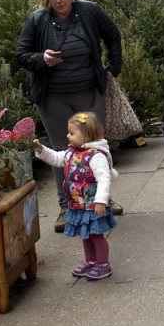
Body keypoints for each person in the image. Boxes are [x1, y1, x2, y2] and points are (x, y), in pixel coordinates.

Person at [17, 0, 123, 233]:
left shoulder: (89, 11)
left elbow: (113, 34)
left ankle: (102, 198)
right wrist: (41, 59)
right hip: (53, 98)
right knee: (63, 150)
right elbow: (22, 54)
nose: (58, 1)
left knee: (95, 147)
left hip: (89, 92)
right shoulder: (38, 20)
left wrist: (114, 66)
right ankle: (66, 206)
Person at [33, 111, 118, 280]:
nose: (67, 136)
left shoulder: (96, 156)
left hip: (93, 205)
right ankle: (91, 261)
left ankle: (103, 264)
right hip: (78, 204)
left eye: (72, 133)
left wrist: (101, 200)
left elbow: (104, 178)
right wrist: (41, 150)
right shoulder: (72, 152)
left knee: (96, 235)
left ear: (85, 135)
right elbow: (57, 158)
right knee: (85, 235)